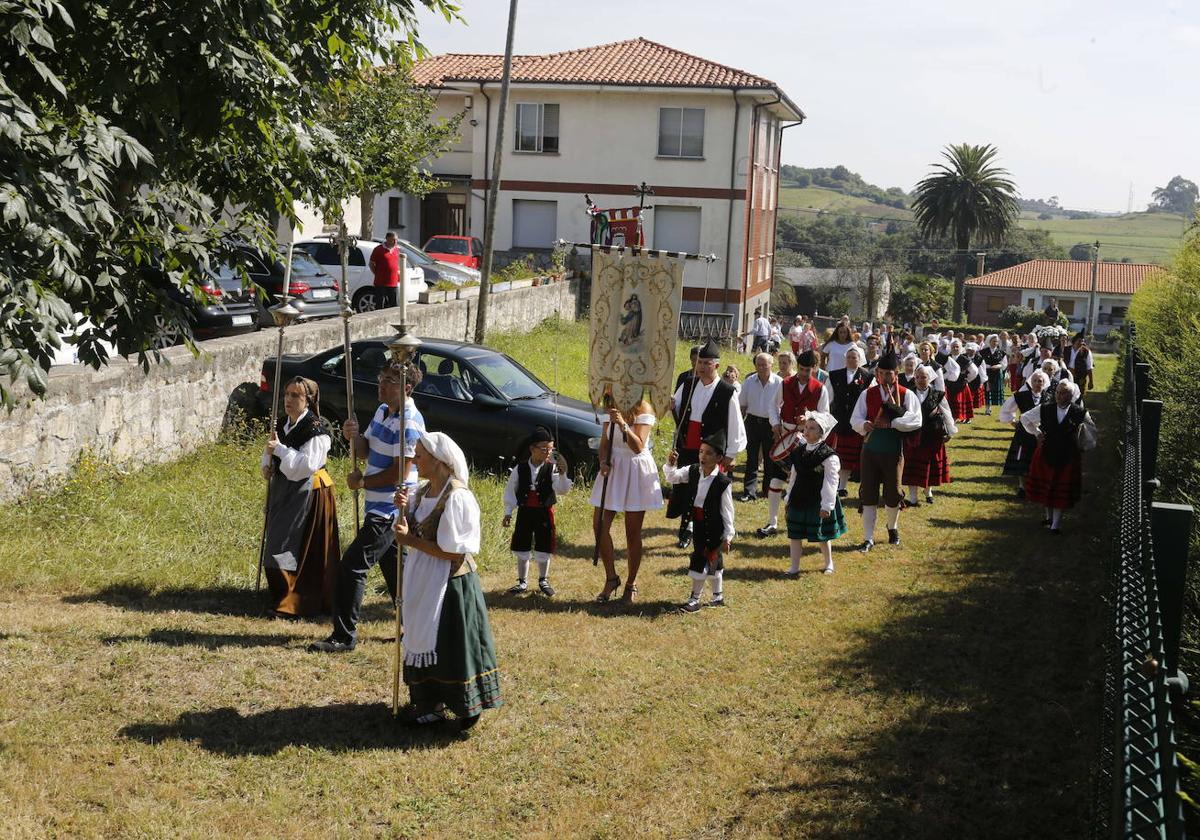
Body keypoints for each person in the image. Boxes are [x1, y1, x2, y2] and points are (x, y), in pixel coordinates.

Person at [310, 360, 424, 653]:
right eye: (381, 377)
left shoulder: (409, 422)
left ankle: (344, 636)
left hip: (391, 508)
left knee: (351, 567)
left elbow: (400, 472)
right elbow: (366, 451)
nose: (381, 385)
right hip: (378, 504)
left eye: (389, 380)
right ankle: (416, 629)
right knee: (398, 573)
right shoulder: (383, 411)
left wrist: (362, 484)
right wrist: (354, 436)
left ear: (407, 388)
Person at [393, 432, 501, 730]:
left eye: (419, 455)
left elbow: (453, 554)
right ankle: (430, 705)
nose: (414, 460)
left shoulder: (458, 497)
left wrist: (410, 540)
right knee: (422, 637)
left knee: (449, 646)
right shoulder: (421, 492)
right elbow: (408, 531)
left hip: (450, 585)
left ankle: (464, 705)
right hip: (422, 576)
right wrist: (402, 512)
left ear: (439, 460)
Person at [260, 376, 339, 618]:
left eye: (296, 395)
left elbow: (305, 466)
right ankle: (282, 595)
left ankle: (297, 601)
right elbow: (269, 449)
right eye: (287, 394)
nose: (289, 400)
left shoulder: (315, 430)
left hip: (310, 494)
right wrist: (267, 464)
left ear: (309, 400)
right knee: (277, 540)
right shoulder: (283, 424)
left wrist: (281, 451)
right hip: (285, 490)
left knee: (301, 547)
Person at [667, 338, 746, 549]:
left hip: (712, 450)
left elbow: (735, 424)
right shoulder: (688, 384)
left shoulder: (727, 391)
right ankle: (685, 532)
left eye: (706, 363)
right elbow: (675, 406)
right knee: (686, 488)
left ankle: (713, 531)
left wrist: (730, 454)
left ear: (716, 365)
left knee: (708, 492)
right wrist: (668, 403)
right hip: (689, 445)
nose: (701, 367)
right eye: (700, 362)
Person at [592, 399, 664, 604]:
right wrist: (603, 461)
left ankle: (631, 584)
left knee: (632, 532)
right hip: (614, 468)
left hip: (634, 469)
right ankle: (611, 578)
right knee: (599, 525)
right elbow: (604, 443)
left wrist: (623, 424)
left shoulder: (645, 408)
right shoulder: (610, 406)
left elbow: (638, 447)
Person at [851, 348, 923, 551]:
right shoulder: (868, 394)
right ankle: (868, 537)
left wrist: (893, 424)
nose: (885, 377)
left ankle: (892, 528)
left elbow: (916, 420)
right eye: (881, 373)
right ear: (877, 374)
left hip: (893, 451)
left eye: (889, 373)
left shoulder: (906, 394)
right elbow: (854, 419)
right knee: (868, 493)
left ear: (896, 372)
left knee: (892, 493)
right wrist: (863, 424)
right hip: (870, 450)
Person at [759, 349, 831, 536]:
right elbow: (773, 406)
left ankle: (802, 521)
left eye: (808, 370)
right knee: (776, 480)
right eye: (801, 369)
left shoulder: (820, 388)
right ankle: (772, 523)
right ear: (796, 367)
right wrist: (775, 424)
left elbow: (825, 417)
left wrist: (808, 419)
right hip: (785, 435)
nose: (804, 373)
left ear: (814, 369)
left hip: (806, 439)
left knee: (801, 483)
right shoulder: (785, 383)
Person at [663, 432, 734, 613]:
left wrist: (728, 535)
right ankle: (717, 596)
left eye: (709, 453)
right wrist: (671, 464)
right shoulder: (693, 471)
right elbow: (672, 477)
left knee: (705, 559)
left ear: (719, 458)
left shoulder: (723, 482)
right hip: (698, 523)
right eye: (701, 451)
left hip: (715, 527)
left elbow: (727, 511)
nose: (703, 456)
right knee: (710, 559)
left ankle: (694, 600)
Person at [502, 426, 573, 598]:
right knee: (522, 544)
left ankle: (543, 579)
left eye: (551, 449)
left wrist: (563, 475)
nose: (548, 452)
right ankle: (522, 581)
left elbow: (562, 490)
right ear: (532, 449)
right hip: (525, 512)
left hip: (543, 513)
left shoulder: (552, 468)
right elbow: (511, 490)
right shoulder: (520, 469)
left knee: (544, 544)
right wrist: (508, 512)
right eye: (544, 449)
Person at [1020, 380, 1098, 534]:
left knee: (1059, 489)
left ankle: (1056, 525)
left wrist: (1084, 446)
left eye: (1064, 393)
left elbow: (1091, 432)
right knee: (1048, 485)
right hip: (1046, 451)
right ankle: (1049, 518)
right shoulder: (1045, 408)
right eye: (1057, 392)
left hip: (1067, 454)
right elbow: (1025, 418)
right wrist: (1037, 433)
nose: (1059, 396)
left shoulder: (1079, 412)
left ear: (1071, 395)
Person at [784, 411, 846, 576]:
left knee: (823, 535)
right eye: (806, 427)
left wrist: (827, 505)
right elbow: (794, 476)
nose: (807, 431)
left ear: (821, 432)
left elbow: (831, 482)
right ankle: (794, 567)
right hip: (799, 496)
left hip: (817, 499)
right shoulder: (799, 452)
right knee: (795, 534)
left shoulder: (829, 456)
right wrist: (788, 496)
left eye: (812, 428)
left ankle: (829, 563)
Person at [902, 365, 958, 506]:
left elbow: (946, 412)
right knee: (912, 466)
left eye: (924, 377)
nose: (921, 380)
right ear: (914, 378)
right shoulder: (908, 394)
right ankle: (913, 498)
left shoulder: (938, 394)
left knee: (930, 465)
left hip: (933, 435)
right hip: (912, 435)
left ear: (930, 378)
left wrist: (950, 431)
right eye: (918, 377)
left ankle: (928, 492)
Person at [1000, 369, 1052, 498]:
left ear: (1044, 383)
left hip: (1041, 435)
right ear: (1030, 382)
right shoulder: (1020, 396)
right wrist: (1013, 422)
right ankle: (1022, 487)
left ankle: (1038, 485)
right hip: (1023, 433)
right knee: (1021, 460)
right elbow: (1006, 410)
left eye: (1040, 381)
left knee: (1040, 459)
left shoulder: (1050, 398)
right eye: (1034, 381)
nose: (1037, 383)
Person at [738, 352, 782, 503]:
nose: (762, 367)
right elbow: (742, 405)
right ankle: (749, 491)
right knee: (751, 458)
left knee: (770, 459)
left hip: (771, 425)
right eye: (759, 364)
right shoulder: (749, 381)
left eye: (765, 364)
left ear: (771, 365)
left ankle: (767, 490)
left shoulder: (779, 383)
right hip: (752, 422)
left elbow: (782, 406)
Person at [828, 345, 871, 497]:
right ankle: (837, 484)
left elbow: (869, 399)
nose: (852, 360)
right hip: (839, 420)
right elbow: (828, 397)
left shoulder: (867, 377)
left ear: (860, 360)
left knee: (852, 457)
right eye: (849, 357)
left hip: (857, 421)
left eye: (855, 358)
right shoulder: (834, 375)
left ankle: (843, 486)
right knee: (839, 455)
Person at [942, 339, 977, 423]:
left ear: (961, 348)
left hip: (960, 386)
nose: (955, 348)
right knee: (948, 406)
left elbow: (974, 371)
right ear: (950, 348)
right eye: (953, 347)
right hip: (948, 385)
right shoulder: (946, 358)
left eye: (957, 347)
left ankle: (954, 422)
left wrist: (967, 380)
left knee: (958, 405)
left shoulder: (964, 359)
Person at [369, 231, 402, 309]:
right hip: (381, 283)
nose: (395, 242)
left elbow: (397, 265)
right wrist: (377, 274)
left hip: (393, 283)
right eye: (393, 240)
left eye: (396, 240)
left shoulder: (397, 250)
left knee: (393, 305)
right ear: (387, 239)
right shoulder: (378, 249)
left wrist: (398, 275)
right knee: (380, 305)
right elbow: (371, 264)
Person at [980, 334, 1007, 413]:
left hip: (997, 374)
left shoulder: (1001, 352)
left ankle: (1002, 409)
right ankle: (988, 408)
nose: (995, 343)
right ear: (989, 341)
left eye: (996, 341)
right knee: (987, 391)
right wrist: (988, 366)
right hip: (987, 373)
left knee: (995, 390)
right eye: (993, 341)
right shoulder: (983, 352)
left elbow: (1004, 363)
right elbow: (980, 362)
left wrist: (998, 366)